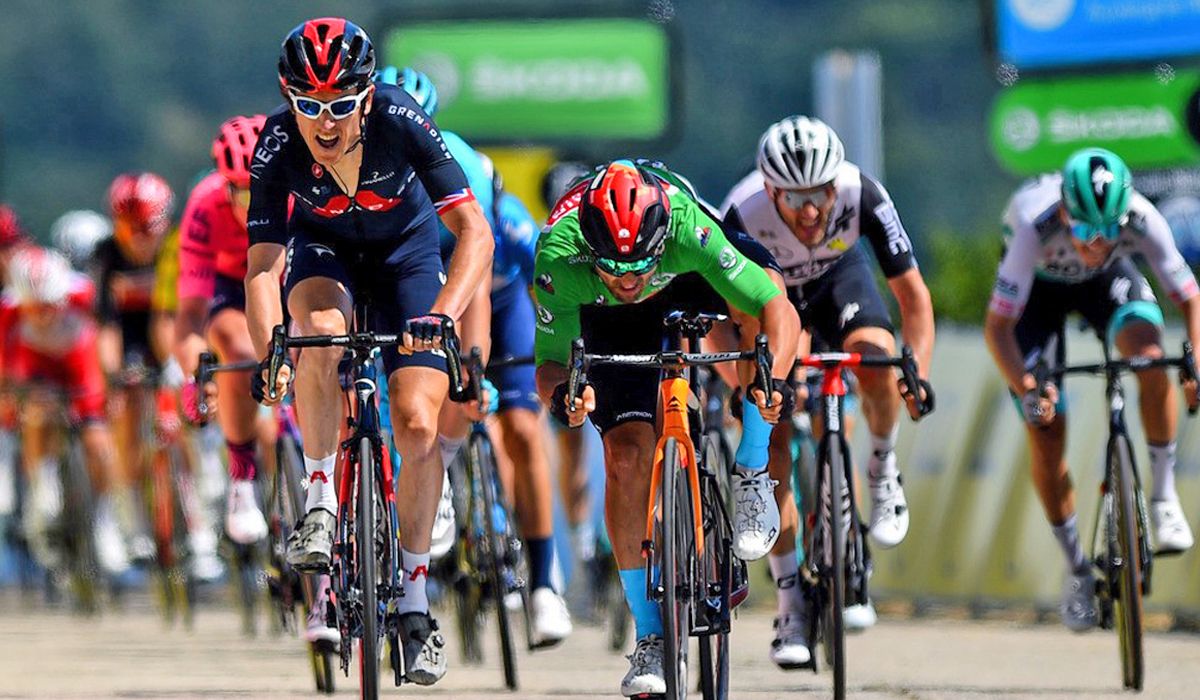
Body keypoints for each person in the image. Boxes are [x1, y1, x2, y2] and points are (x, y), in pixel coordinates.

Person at [245, 19, 493, 684]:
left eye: (340, 104)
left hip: (407, 256)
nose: (325, 124)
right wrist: (273, 347)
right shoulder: (274, 144)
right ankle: (322, 497)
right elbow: (263, 267)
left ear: (367, 94)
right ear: (286, 97)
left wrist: (442, 318)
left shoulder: (400, 117)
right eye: (308, 105)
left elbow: (474, 233)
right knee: (319, 331)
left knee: (416, 423)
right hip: (328, 255)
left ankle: (414, 603)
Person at [534, 158, 800, 696]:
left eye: (638, 267)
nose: (630, 281)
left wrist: (768, 386)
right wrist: (566, 398)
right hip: (604, 316)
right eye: (616, 267)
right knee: (626, 457)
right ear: (589, 248)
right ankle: (650, 634)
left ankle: (749, 464)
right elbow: (550, 363)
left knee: (759, 298)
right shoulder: (559, 258)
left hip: (684, 277)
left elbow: (777, 308)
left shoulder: (686, 229)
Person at [720, 116, 935, 667]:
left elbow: (912, 297)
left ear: (835, 184)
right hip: (772, 298)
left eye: (819, 194)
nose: (810, 211)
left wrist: (918, 373)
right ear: (770, 190)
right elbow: (731, 320)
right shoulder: (741, 212)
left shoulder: (864, 193)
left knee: (875, 355)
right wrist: (745, 388)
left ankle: (882, 468)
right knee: (769, 439)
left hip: (841, 282)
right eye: (793, 198)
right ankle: (790, 603)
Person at [387, 66, 572, 646]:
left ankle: (544, 587)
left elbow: (486, 272)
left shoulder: (460, 166)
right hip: (429, 293)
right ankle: (437, 484)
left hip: (496, 292)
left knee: (519, 426)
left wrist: (473, 361)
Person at [984, 147, 1200, 632]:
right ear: (1064, 211)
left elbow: (1190, 299)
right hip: (1037, 296)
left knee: (1150, 359)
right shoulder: (1030, 220)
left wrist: (1195, 362)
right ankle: (1078, 567)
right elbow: (998, 328)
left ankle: (1164, 498)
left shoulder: (1139, 217)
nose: (1097, 243)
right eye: (1084, 230)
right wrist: (1024, 387)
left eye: (1109, 231)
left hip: (1106, 286)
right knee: (1046, 424)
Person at [0, 248, 129, 574]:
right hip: (34, 366)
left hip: (78, 362)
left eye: (50, 306)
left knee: (98, 439)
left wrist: (109, 385)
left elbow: (106, 336)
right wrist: (14, 394)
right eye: (34, 308)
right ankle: (43, 492)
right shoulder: (7, 311)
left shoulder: (84, 294)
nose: (43, 315)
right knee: (36, 415)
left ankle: (103, 518)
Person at [94, 171, 177, 562]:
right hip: (127, 340)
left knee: (183, 413)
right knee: (125, 419)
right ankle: (133, 521)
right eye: (126, 229)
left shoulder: (176, 248)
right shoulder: (108, 254)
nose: (137, 239)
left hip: (168, 331)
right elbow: (105, 324)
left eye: (145, 229)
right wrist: (111, 377)